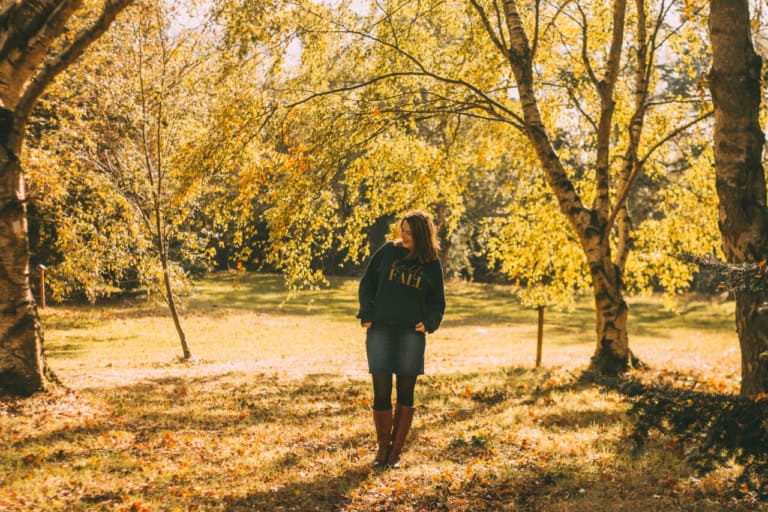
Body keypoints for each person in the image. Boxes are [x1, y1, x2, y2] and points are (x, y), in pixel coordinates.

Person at [357, 210, 446, 468]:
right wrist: (366, 313)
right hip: (380, 331)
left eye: (409, 233)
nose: (404, 236)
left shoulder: (431, 263)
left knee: (406, 392)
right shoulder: (388, 251)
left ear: (422, 234)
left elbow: (437, 303)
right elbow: (367, 283)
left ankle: (395, 452)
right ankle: (382, 450)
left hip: (410, 334)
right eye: (402, 231)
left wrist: (429, 323)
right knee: (381, 391)